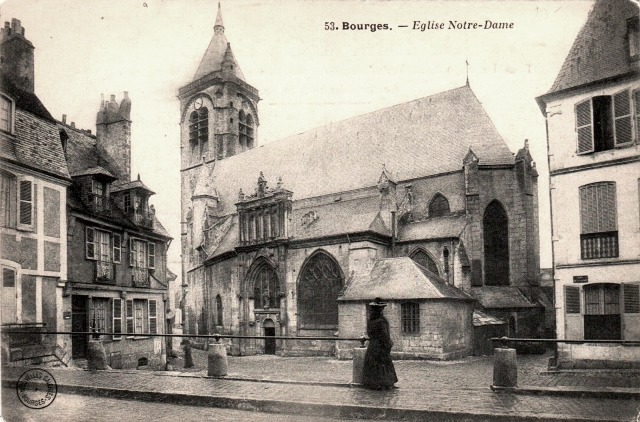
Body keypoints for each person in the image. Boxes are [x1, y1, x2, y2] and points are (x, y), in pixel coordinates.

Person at [363, 297, 398, 390]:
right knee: (384, 363)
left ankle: (375, 383)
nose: (382, 309)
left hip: (373, 345)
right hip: (381, 345)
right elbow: (385, 335)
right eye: (381, 308)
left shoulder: (370, 320)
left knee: (374, 364)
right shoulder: (381, 321)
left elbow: (370, 333)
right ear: (379, 309)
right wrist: (388, 344)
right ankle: (386, 383)